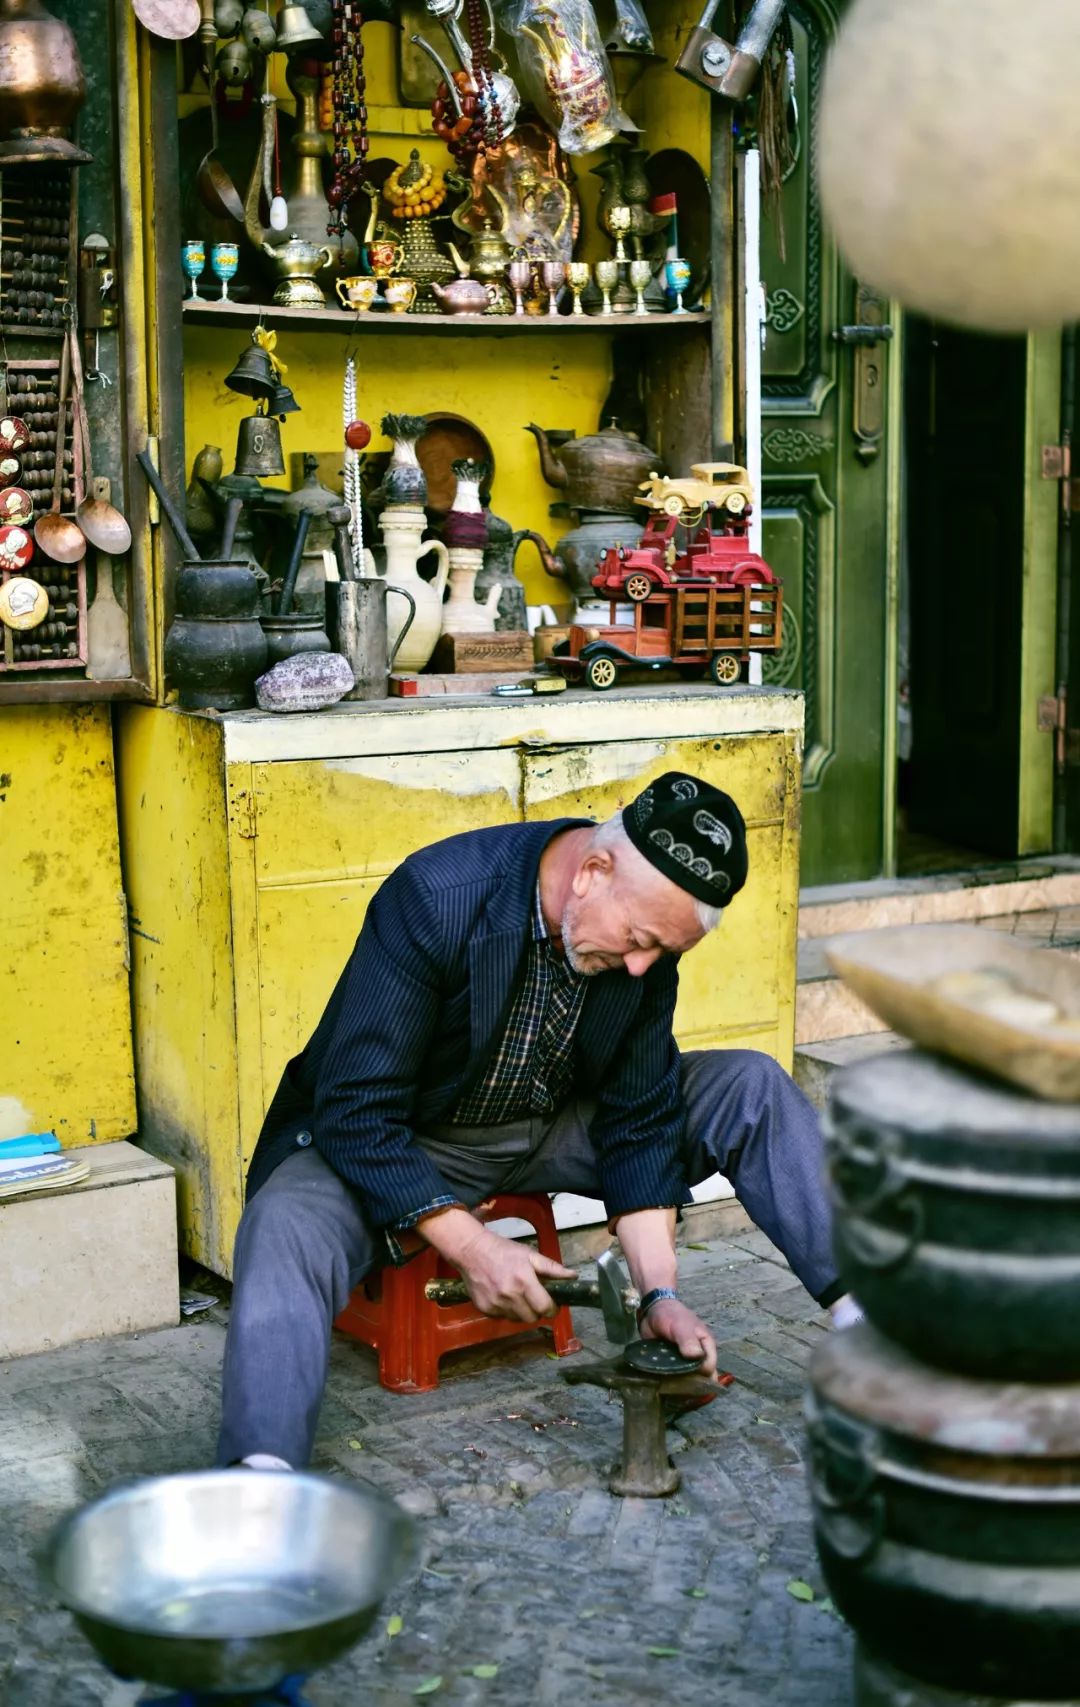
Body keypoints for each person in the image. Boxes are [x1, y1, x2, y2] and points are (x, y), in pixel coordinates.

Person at [218, 771, 851, 1470]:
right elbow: (357, 1108)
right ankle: (262, 1479)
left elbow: (638, 1117)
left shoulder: (644, 953)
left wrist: (657, 1294)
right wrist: (474, 1247)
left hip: (549, 1127)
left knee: (749, 1084)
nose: (642, 966)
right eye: (639, 938)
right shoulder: (438, 895)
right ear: (593, 871)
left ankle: (871, 1329)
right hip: (411, 1137)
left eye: (662, 953)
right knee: (283, 1223)